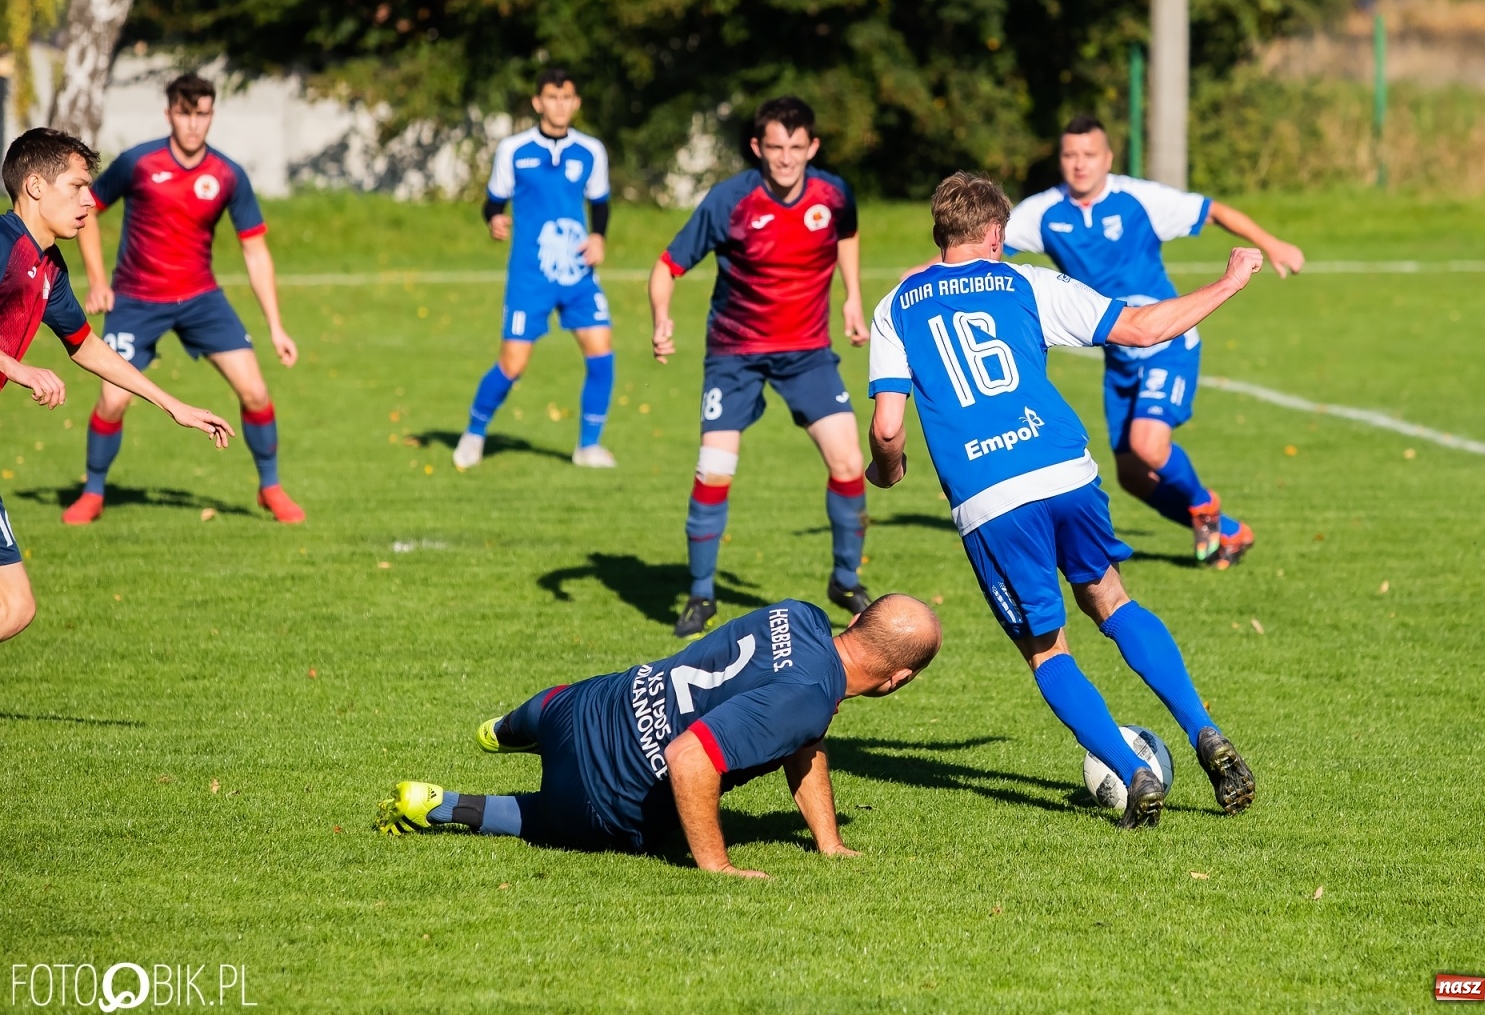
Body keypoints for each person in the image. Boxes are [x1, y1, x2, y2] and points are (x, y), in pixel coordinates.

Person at [866, 172, 1258, 828]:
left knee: (1048, 648)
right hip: (1065, 469)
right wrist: (1228, 283)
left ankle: (1131, 774)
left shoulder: (896, 304)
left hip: (991, 497)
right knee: (1112, 598)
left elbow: (885, 428)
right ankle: (1204, 730)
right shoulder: (1026, 282)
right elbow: (1138, 328)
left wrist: (889, 469)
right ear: (998, 235)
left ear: (941, 234)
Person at [377, 594, 941, 877]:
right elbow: (688, 757)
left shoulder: (800, 615)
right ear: (899, 679)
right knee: (545, 817)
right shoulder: (808, 700)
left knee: (561, 704)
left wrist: (828, 841)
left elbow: (804, 740)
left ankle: (503, 729)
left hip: (586, 704)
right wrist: (717, 867)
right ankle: (445, 805)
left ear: (858, 619)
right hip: (601, 797)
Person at [1004, 115, 1306, 566]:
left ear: (1108, 158)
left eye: (1090, 155)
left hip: (1168, 342)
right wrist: (928, 276)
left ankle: (1205, 505)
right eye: (1070, 155)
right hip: (1120, 355)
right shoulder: (1043, 212)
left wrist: (1273, 243)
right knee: (1132, 476)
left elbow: (1214, 210)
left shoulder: (1137, 199)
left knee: (1149, 446)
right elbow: (978, 252)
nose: (1080, 164)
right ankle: (1228, 531)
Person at [648, 96, 871, 639]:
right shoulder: (730, 201)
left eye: (797, 148)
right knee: (714, 469)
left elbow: (846, 234)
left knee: (849, 462)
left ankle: (844, 580)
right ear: (758, 148)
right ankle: (701, 595)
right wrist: (661, 321)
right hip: (735, 353)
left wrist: (852, 298)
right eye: (775, 148)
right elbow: (667, 265)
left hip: (807, 352)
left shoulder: (833, 194)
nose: (786, 159)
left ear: (812, 148)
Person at [0, 129, 234, 639]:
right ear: (36, 186)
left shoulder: (47, 267)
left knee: (16, 608)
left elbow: (86, 345)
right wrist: (19, 369)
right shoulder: (2, 243)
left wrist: (173, 405)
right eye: (78, 186)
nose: (90, 201)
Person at [60, 73, 301, 525]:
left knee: (254, 390)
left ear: (212, 115)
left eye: (202, 114)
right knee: (113, 400)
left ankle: (270, 487)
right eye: (185, 113)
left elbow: (254, 249)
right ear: (170, 112)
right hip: (135, 299)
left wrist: (276, 325)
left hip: (201, 299)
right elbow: (86, 208)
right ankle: (93, 492)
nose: (194, 124)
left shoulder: (228, 174)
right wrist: (97, 279)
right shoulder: (139, 163)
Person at [453, 67, 615, 471]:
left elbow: (600, 203)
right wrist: (494, 219)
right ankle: (474, 434)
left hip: (578, 274)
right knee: (513, 364)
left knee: (601, 354)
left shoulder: (591, 150)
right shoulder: (513, 149)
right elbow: (493, 202)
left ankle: (588, 446)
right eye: (552, 98)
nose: (560, 105)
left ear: (576, 103)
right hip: (530, 276)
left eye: (567, 98)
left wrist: (599, 237)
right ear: (537, 102)